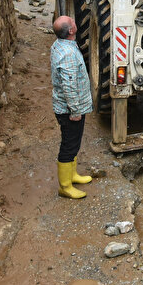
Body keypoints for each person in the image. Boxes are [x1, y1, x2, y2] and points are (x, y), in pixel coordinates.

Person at [51, 15, 94, 199]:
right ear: (71, 31)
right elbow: (69, 86)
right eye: (74, 23)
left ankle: (73, 174)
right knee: (69, 146)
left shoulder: (60, 44)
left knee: (74, 143)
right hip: (69, 111)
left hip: (68, 107)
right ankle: (65, 186)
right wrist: (75, 111)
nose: (76, 24)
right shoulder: (68, 54)